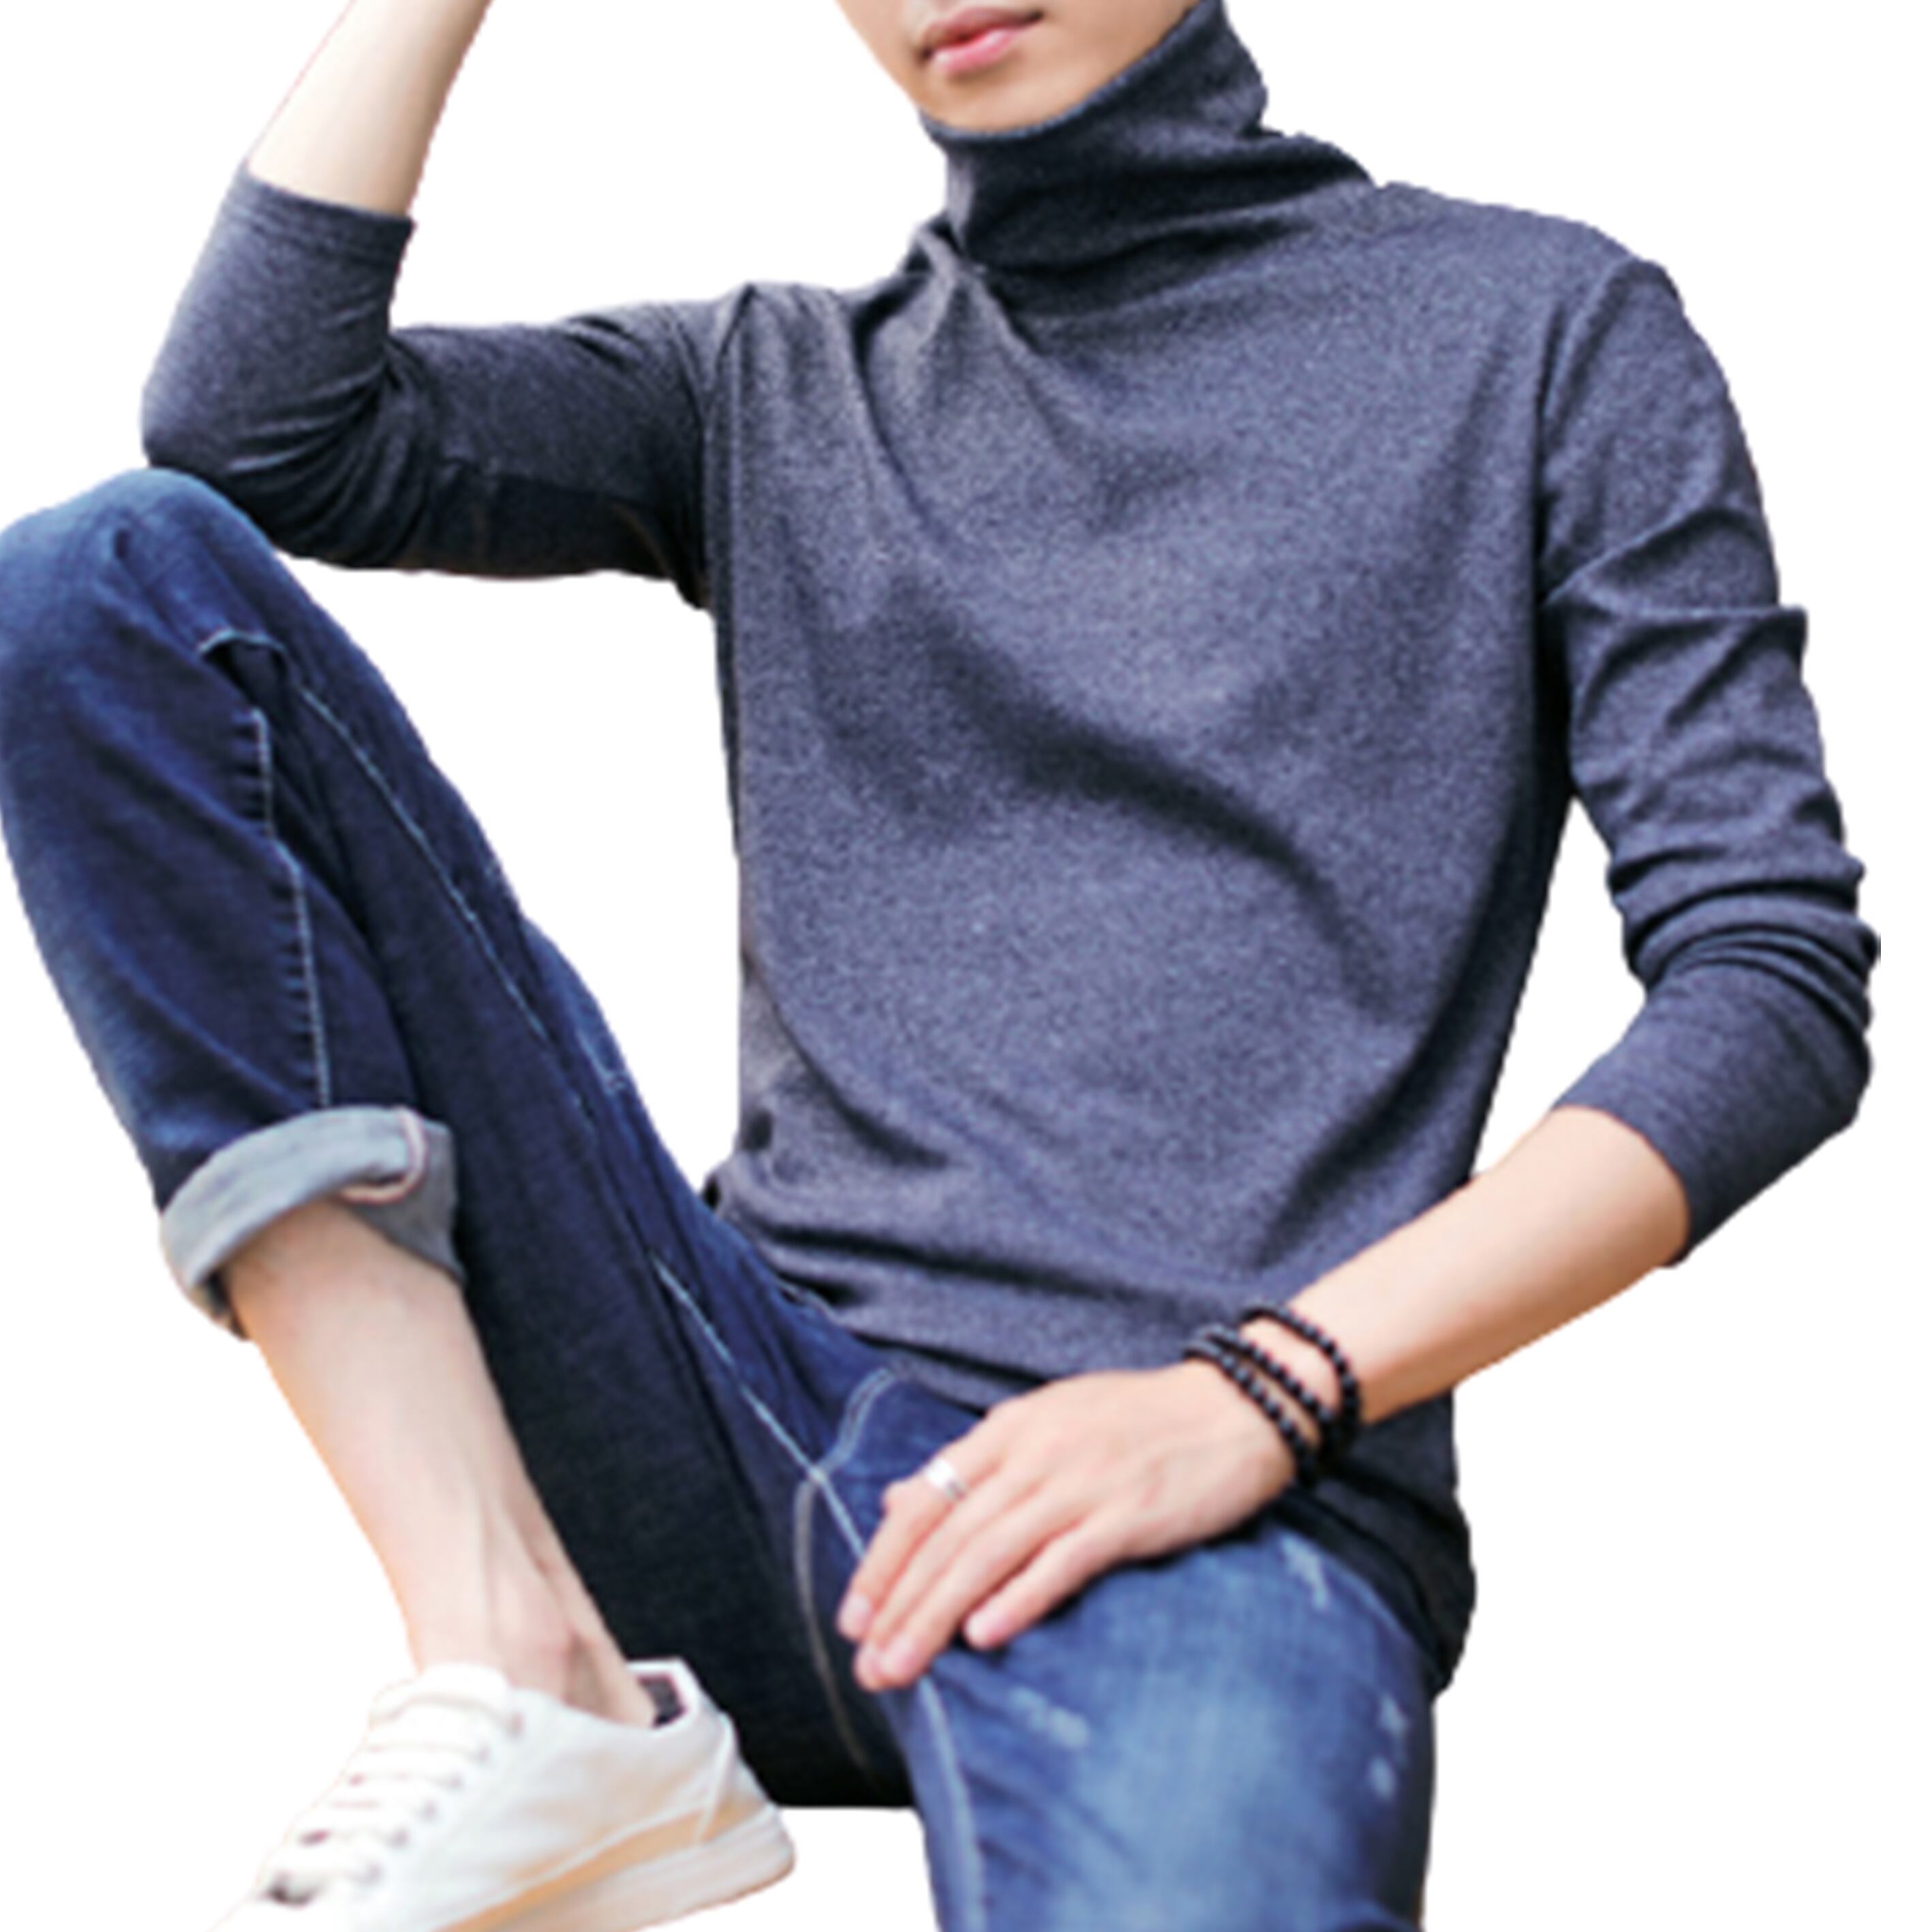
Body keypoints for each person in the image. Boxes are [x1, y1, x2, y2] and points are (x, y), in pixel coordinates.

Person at [0, 0, 1881, 1928]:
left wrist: (1266, 1390)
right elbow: (255, 424)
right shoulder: (771, 388)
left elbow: (1767, 981)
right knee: (100, 588)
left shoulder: (1543, 333)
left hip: (1222, 1500)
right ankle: (524, 1660)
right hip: (740, 1429)